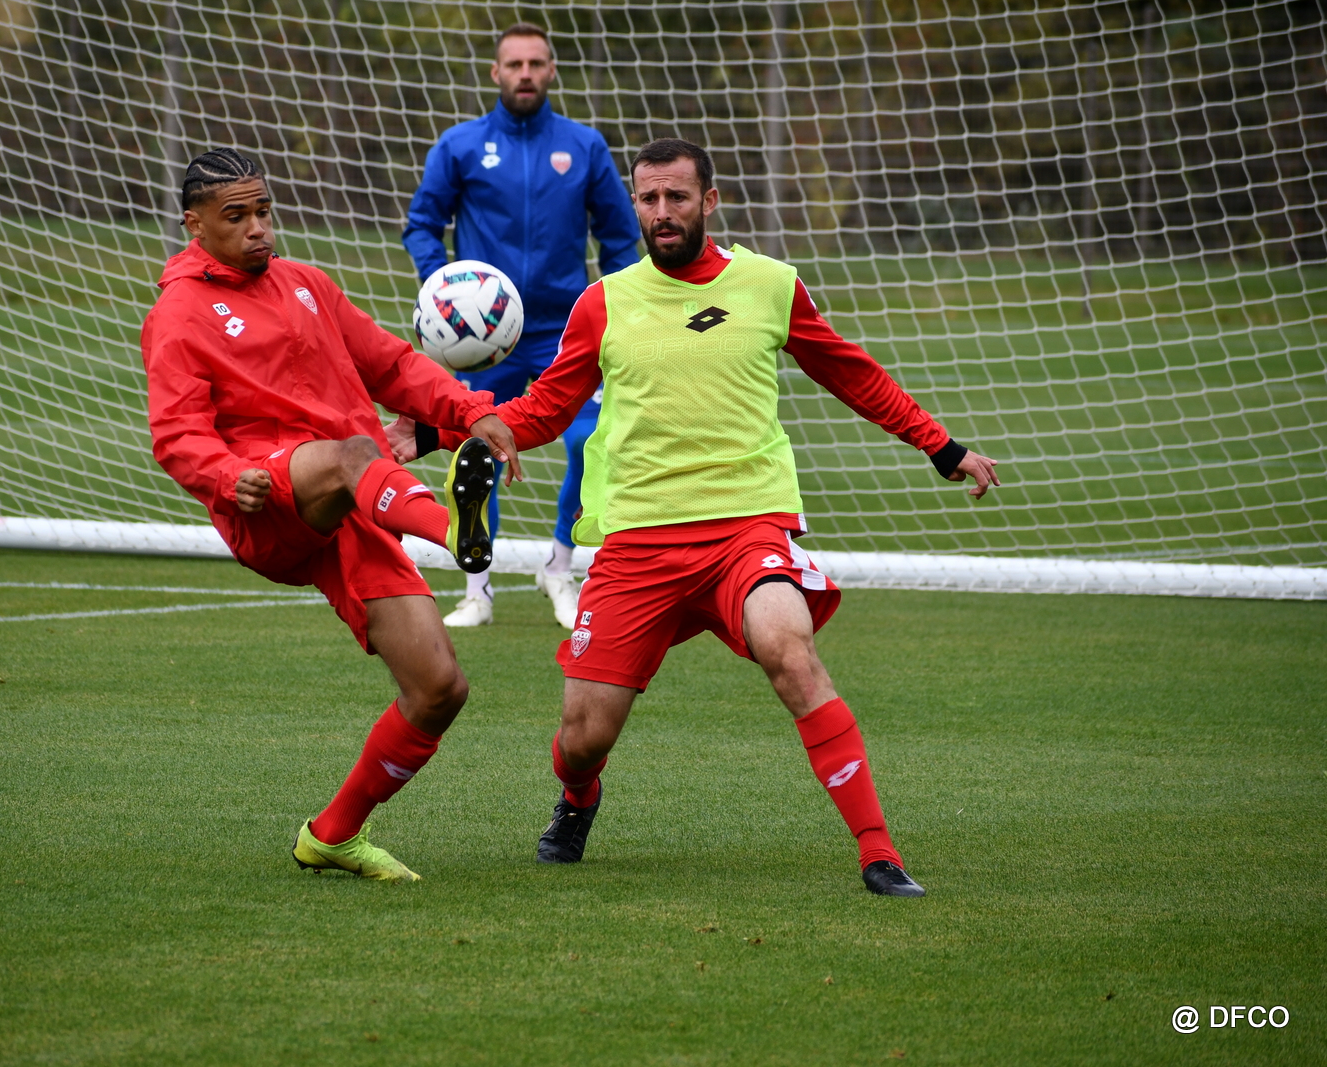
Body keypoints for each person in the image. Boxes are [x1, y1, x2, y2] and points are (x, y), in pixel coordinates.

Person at [397, 139, 1000, 896]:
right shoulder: (604, 301)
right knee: (583, 739)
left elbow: (852, 372)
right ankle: (579, 798)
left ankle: (879, 854)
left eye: (677, 197)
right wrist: (432, 430)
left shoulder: (771, 285)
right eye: (648, 199)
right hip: (638, 544)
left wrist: (941, 446)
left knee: (791, 651)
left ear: (709, 202)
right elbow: (544, 408)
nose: (661, 212)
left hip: (745, 530)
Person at [141, 148, 521, 883]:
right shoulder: (179, 314)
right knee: (351, 452)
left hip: (357, 504)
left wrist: (473, 410)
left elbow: (394, 365)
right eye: (236, 216)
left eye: (263, 211)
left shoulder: (306, 283)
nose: (258, 228)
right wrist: (228, 477)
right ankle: (456, 532)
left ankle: (333, 833)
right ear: (195, 225)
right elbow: (176, 434)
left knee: (440, 687)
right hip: (269, 504)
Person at [403, 22, 640, 629]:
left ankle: (560, 567)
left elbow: (617, 236)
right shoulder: (459, 145)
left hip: (565, 330)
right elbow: (422, 225)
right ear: (496, 73)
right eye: (515, 64)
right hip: (484, 340)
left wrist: (618, 304)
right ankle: (476, 591)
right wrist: (447, 289)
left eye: (536, 63)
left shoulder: (584, 146)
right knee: (476, 447)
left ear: (552, 69)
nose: (526, 73)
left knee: (592, 442)